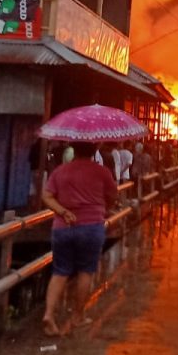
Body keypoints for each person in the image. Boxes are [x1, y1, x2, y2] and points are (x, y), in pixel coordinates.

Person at [41, 140, 118, 336]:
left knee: (60, 271)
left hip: (62, 228)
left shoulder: (60, 171)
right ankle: (78, 316)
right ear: (95, 150)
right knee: (86, 271)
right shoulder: (102, 172)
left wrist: (63, 211)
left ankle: (49, 314)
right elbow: (112, 196)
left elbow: (47, 196)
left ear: (73, 149)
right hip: (91, 227)